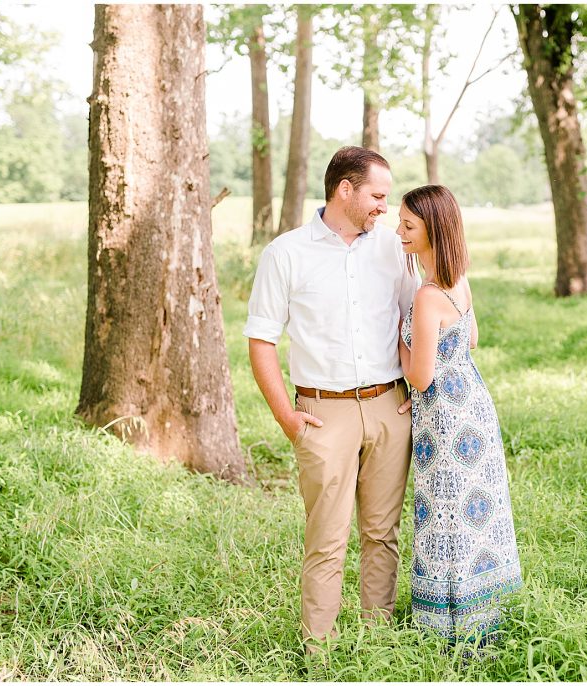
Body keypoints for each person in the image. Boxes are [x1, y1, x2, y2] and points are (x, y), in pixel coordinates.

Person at [244, 146, 419, 650]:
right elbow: (261, 340)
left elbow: (416, 322)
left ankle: (376, 639)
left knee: (382, 533)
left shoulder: (392, 249)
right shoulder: (286, 253)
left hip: (390, 405)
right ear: (346, 189)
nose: (385, 208)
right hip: (322, 413)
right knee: (327, 539)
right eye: (378, 196)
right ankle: (318, 651)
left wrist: (413, 392)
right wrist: (288, 419)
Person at [396, 184, 522, 649]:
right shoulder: (460, 280)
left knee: (445, 512)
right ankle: (487, 610)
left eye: (408, 226)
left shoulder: (428, 296)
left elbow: (422, 377)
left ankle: (449, 625)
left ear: (433, 230)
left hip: (444, 419)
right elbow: (471, 340)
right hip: (473, 404)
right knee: (478, 512)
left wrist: (399, 338)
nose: (400, 231)